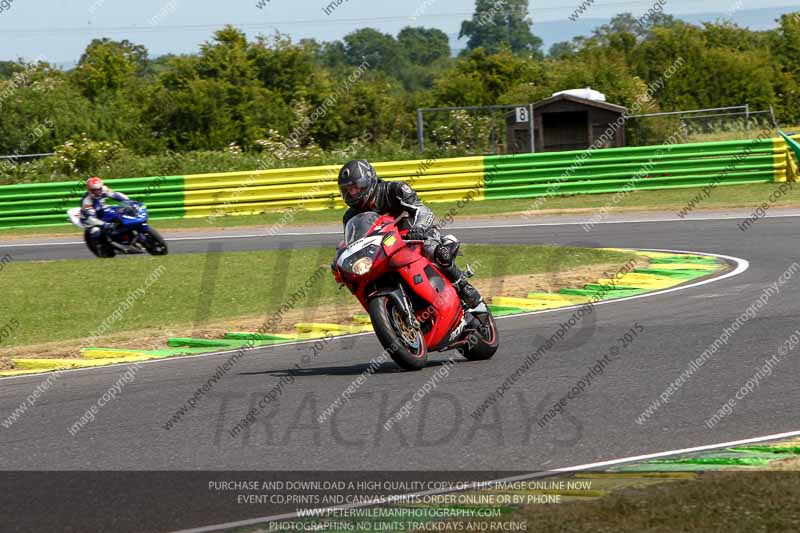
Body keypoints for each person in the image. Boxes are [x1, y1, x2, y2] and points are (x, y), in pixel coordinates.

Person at [337, 160, 483, 308]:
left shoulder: (395, 189)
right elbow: (353, 243)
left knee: (434, 250)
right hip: (384, 249)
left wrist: (419, 228)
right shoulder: (349, 217)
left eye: (355, 187)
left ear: (368, 180)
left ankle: (464, 287)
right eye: (348, 190)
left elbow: (423, 211)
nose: (352, 193)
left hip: (413, 236)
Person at [80, 177, 131, 247]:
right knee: (96, 231)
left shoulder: (104, 189)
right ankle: (102, 245)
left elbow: (115, 195)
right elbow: (91, 218)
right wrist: (104, 224)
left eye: (98, 189)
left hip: (102, 209)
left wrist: (129, 201)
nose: (97, 192)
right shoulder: (86, 201)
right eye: (94, 190)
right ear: (89, 190)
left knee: (122, 212)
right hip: (89, 218)